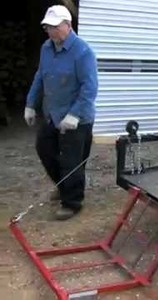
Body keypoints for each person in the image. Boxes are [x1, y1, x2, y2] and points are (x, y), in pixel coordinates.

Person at [24, 5, 98, 220]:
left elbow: (89, 88)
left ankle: (72, 202)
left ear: (68, 25)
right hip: (53, 113)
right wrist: (30, 104)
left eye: (55, 27)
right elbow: (40, 76)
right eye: (48, 27)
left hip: (78, 118)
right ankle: (63, 185)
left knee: (72, 161)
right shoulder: (46, 48)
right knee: (44, 148)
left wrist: (74, 115)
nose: (51, 32)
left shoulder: (83, 52)